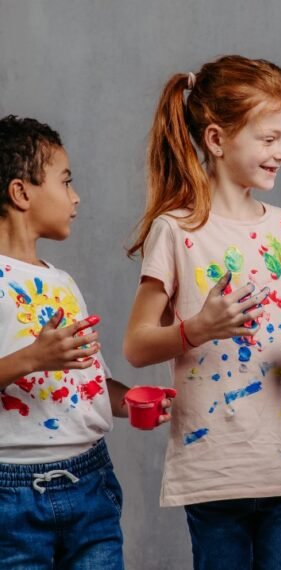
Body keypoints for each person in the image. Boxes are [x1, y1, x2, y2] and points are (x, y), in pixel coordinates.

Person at [123, 55, 281, 570]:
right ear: (217, 140)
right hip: (214, 470)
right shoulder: (176, 231)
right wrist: (196, 328)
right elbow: (136, 346)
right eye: (268, 139)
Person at [0, 114, 151, 568]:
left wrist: (134, 402)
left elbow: (89, 381)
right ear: (21, 192)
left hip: (91, 481)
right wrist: (33, 357)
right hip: (11, 494)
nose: (76, 196)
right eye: (65, 182)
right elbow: (38, 361)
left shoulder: (61, 281)